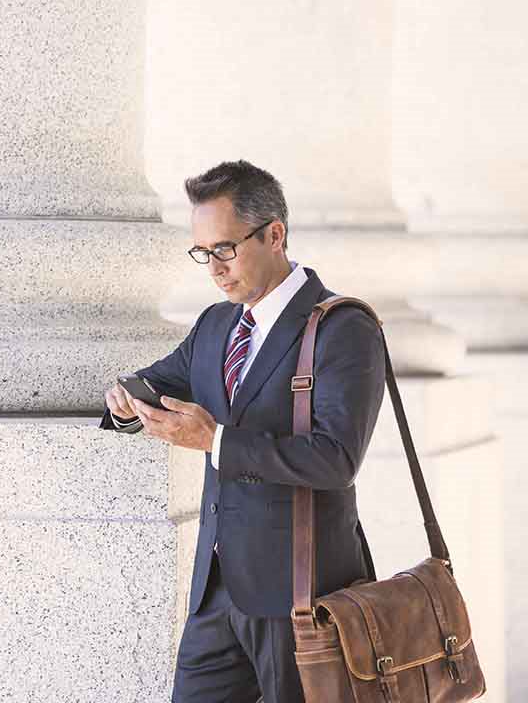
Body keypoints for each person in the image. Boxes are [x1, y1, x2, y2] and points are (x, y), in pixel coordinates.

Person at [101, 160, 386, 703]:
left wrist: (217, 442)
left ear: (274, 234)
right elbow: (155, 382)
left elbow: (336, 459)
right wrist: (124, 401)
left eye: (225, 249)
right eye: (203, 252)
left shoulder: (343, 327)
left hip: (299, 596)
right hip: (214, 591)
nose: (213, 267)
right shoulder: (216, 325)